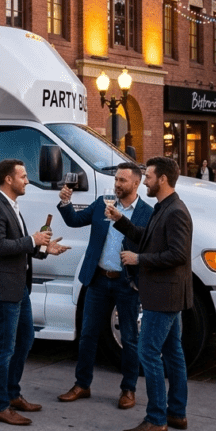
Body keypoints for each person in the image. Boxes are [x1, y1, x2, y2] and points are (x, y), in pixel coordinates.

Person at [107, 156, 193, 431]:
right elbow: (147, 237)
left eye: (149, 176)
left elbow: (177, 255)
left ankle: (156, 419)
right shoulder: (164, 208)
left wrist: (138, 258)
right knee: (173, 353)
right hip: (166, 293)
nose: (145, 181)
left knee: (148, 353)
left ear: (163, 179)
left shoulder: (176, 211)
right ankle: (176, 413)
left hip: (163, 295)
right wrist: (121, 221)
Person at [55, 162, 152, 410]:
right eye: (116, 180)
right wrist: (66, 203)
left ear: (136, 183)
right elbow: (75, 221)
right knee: (88, 334)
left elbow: (150, 246)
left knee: (129, 339)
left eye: (122, 180)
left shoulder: (146, 213)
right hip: (98, 278)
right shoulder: (103, 202)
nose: (117, 184)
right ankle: (82, 384)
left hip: (126, 282)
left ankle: (128, 389)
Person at [0, 158, 67, 426]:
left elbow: (16, 247)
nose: (27, 180)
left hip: (18, 288)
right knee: (4, 347)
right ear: (9, 179)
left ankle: (12, 394)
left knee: (25, 339)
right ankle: (0, 405)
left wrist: (43, 249)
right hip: (3, 289)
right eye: (23, 176)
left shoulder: (12, 206)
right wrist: (32, 240)